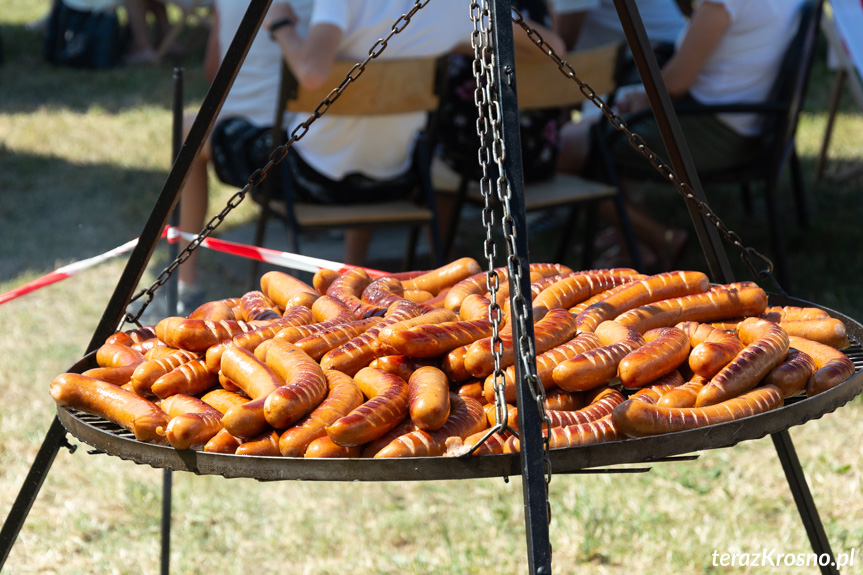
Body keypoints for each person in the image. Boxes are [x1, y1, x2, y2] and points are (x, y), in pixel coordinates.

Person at [555, 0, 805, 270]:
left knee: (561, 148)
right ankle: (633, 241)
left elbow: (673, 85)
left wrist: (639, 99)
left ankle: (659, 237)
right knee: (600, 123)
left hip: (712, 132)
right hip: (745, 124)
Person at [263, 0, 480, 266]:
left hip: (311, 180)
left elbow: (311, 73)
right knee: (371, 140)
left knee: (225, 134)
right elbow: (541, 42)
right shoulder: (459, 7)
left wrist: (280, 25)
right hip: (398, 180)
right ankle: (352, 270)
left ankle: (194, 282)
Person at [171, 0, 313, 313]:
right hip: (324, 151)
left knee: (188, 131)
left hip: (263, 151)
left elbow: (215, 71)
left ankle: (185, 280)